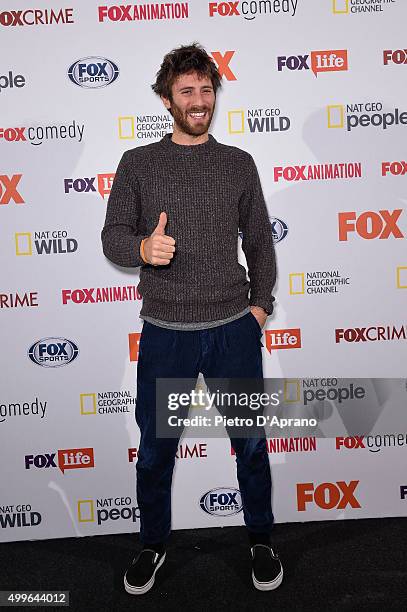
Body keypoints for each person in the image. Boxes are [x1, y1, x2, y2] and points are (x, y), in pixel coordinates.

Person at [101, 42, 282, 595]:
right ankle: (152, 545)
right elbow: (113, 238)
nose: (199, 100)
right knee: (155, 452)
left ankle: (260, 539)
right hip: (165, 336)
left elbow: (259, 241)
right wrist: (142, 250)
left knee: (251, 446)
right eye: (187, 91)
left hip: (232, 330)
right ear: (166, 99)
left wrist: (259, 307)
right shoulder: (138, 163)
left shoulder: (237, 164)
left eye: (206, 90)